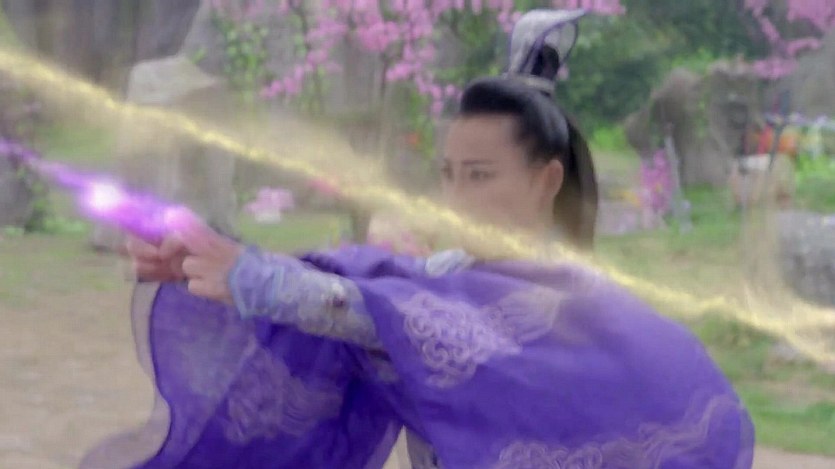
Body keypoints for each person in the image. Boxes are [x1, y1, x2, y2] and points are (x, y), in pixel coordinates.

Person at [83, 10, 754, 469]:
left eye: (479, 175)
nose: (455, 196)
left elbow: (367, 311)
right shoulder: (446, 272)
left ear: (546, 180)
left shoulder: (579, 303)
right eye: (448, 174)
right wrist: (222, 264)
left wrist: (250, 276)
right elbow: (358, 287)